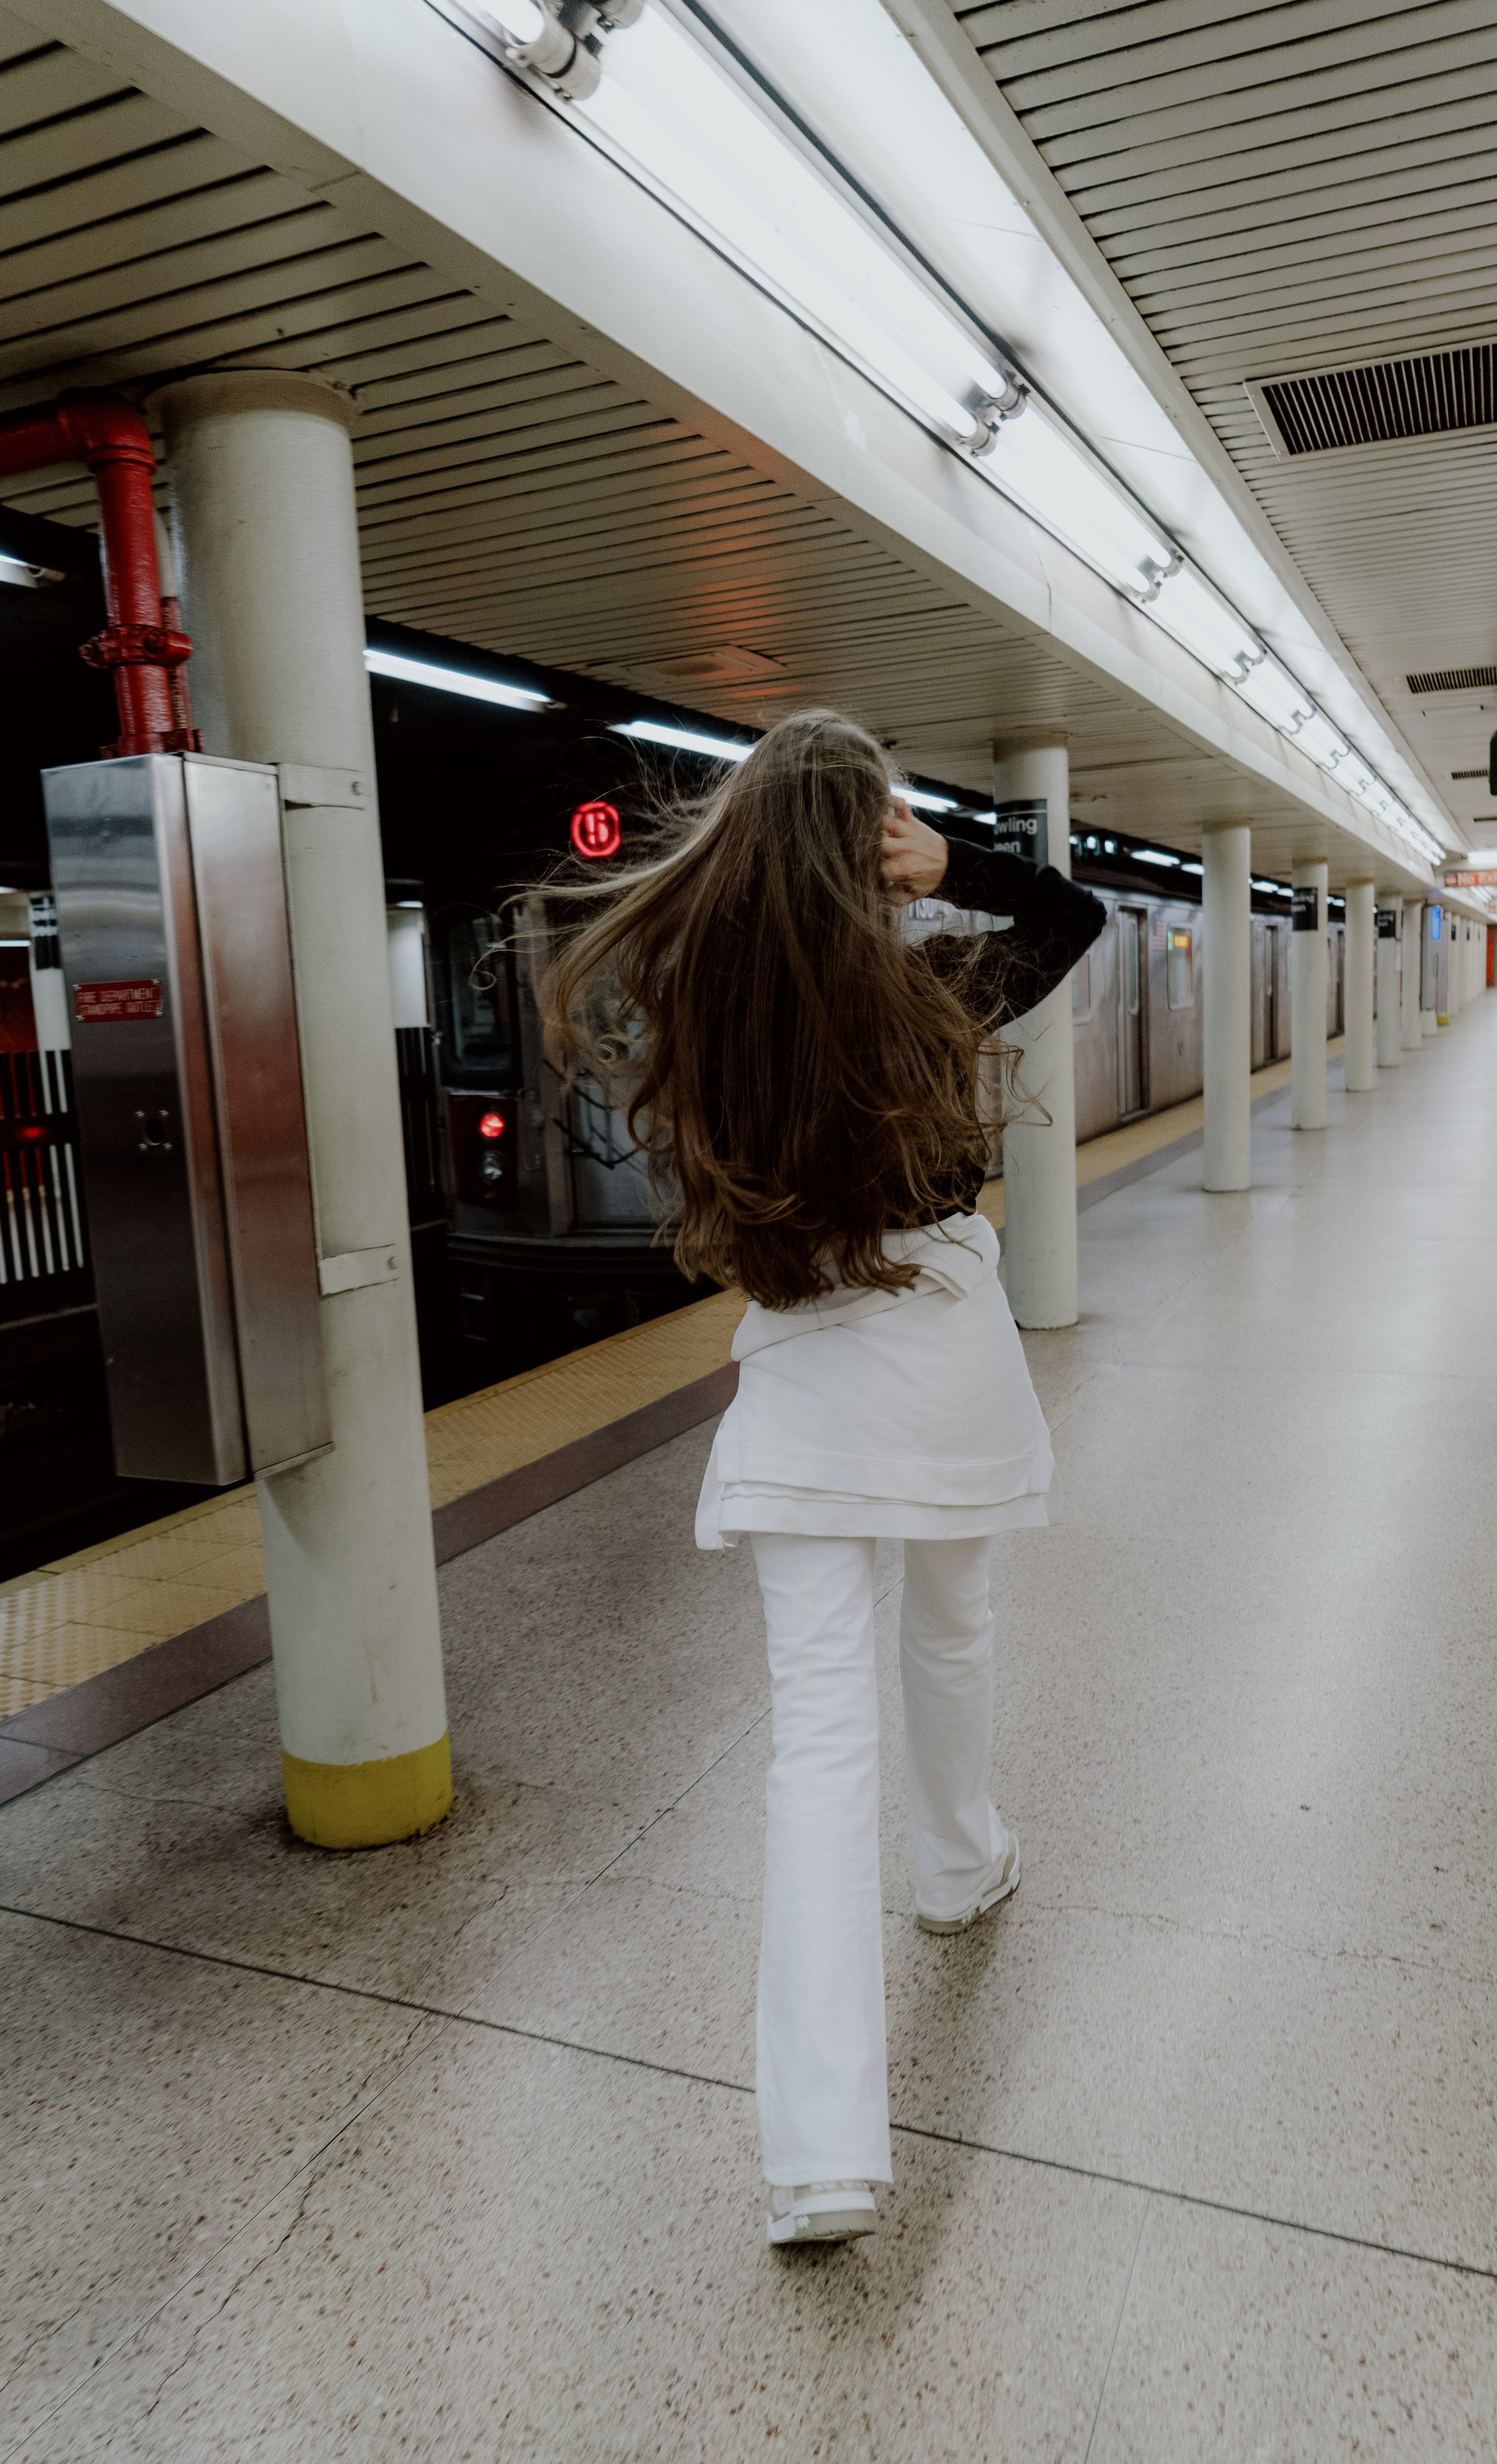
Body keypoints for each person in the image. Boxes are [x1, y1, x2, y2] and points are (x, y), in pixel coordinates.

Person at [544, 710, 1105, 2248]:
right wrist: (959, 862)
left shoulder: (701, 1002)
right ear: (874, 842)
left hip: (799, 1379)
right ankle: (957, 1866)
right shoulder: (932, 989)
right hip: (944, 1363)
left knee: (812, 1743)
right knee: (951, 1627)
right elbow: (1070, 917)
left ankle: (818, 2161)